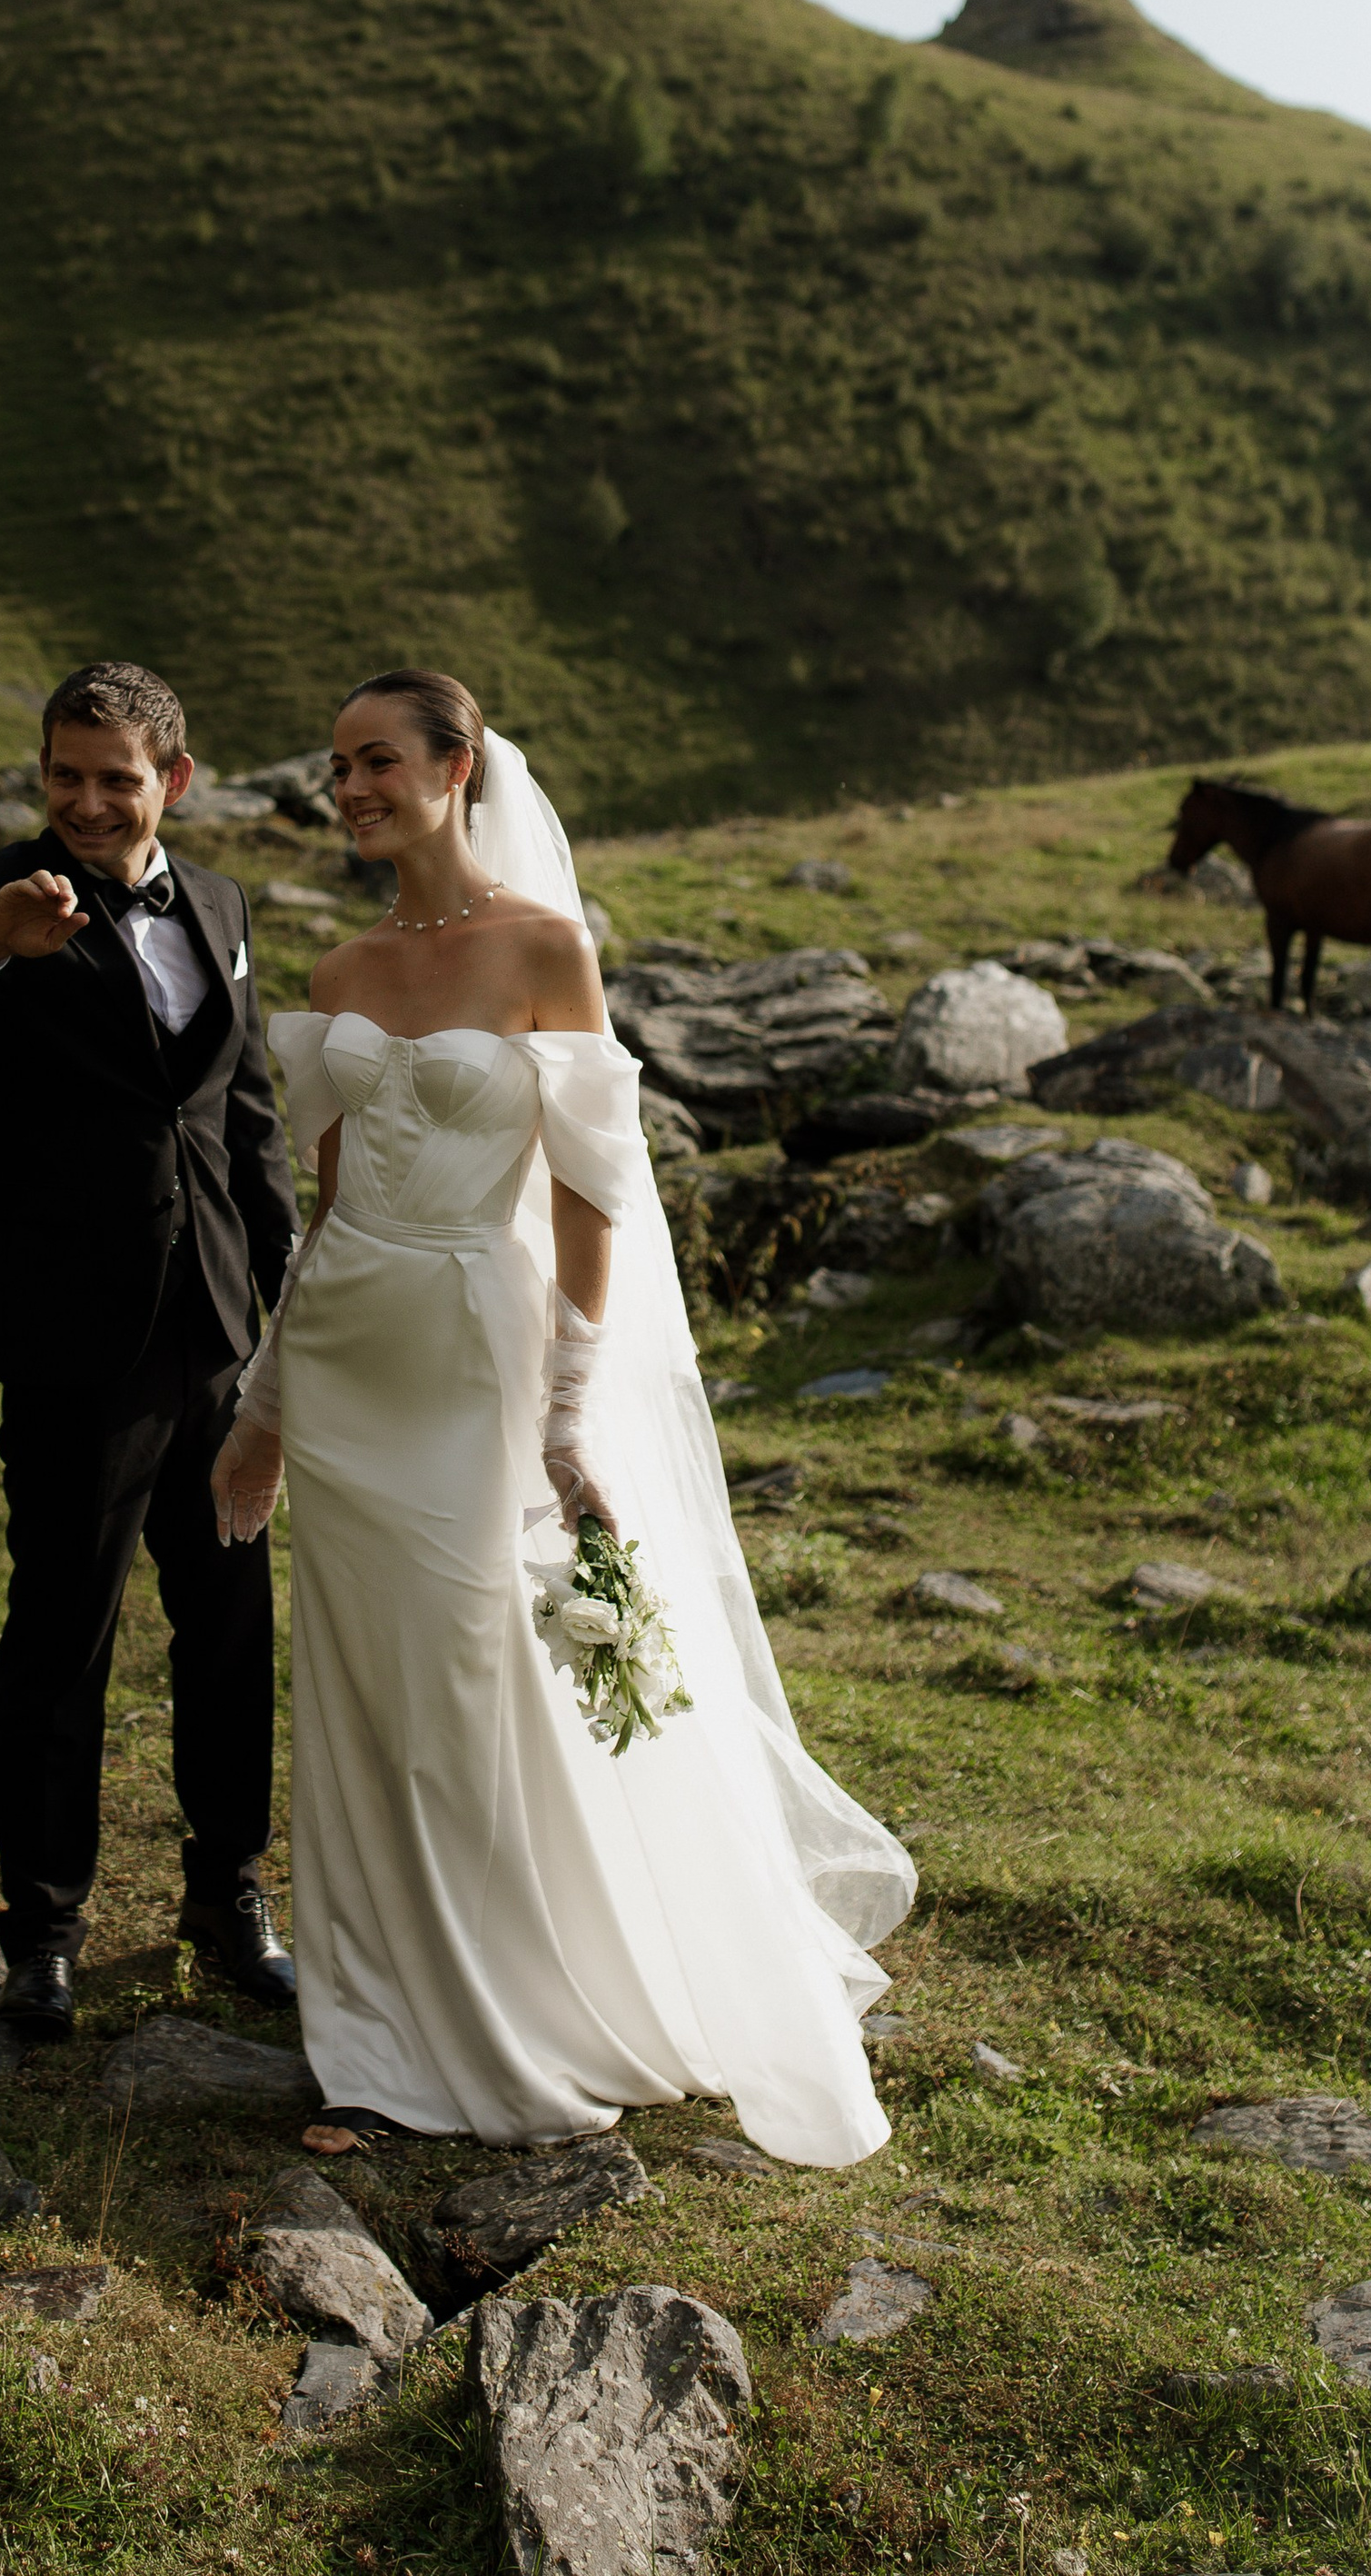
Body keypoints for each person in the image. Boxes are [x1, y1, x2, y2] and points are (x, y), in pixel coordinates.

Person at [212, 670, 913, 2163]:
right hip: (349, 1352)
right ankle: (372, 2026)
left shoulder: (545, 949)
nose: (352, 788)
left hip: (477, 1347)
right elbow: (324, 1214)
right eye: (338, 766)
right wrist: (265, 1405)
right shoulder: (333, 970)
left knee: (469, 1674)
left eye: (380, 760)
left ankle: (512, 2005)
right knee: (357, 1689)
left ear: (460, 767)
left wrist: (572, 1413)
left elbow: (597, 1192)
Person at [0, 661, 301, 2043]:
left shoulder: (217, 904)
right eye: (63, 776)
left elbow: (245, 1115)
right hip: (69, 1337)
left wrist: (284, 1304)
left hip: (215, 1335)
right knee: (61, 1634)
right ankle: (42, 1932)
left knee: (225, 1628)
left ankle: (228, 1891)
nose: (86, 803)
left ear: (176, 783)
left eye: (116, 780)